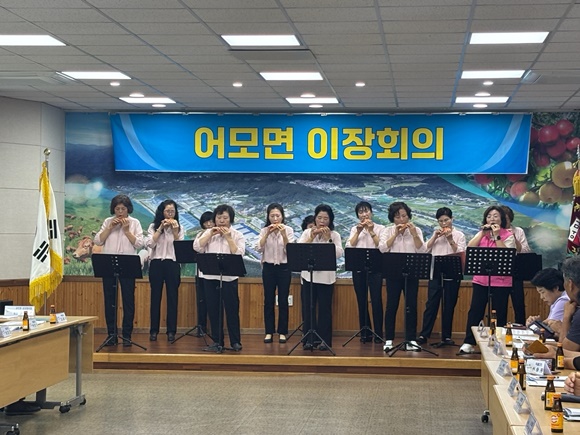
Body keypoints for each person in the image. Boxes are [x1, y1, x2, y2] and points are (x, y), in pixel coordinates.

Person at [459, 205, 516, 354]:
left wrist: (497, 236)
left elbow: (507, 254)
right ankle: (469, 342)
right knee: (475, 311)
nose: (492, 219)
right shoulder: (482, 234)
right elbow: (470, 248)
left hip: (501, 282)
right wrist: (482, 233)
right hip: (481, 280)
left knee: (499, 313)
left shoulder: (508, 235)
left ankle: (498, 343)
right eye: (489, 216)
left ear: (502, 219)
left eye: (496, 216)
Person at [193, 204, 245, 351]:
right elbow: (197, 247)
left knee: (232, 310)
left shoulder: (237, 235)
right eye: (219, 217)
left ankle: (235, 341)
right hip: (210, 277)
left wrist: (229, 238)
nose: (221, 221)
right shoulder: (208, 233)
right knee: (213, 310)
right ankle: (217, 341)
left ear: (231, 219)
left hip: (229, 278)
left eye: (225, 218)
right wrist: (209, 234)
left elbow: (239, 254)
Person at [94, 194, 144, 346]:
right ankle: (112, 335)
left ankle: (127, 335)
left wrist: (127, 231)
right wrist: (109, 228)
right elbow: (98, 241)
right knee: (110, 301)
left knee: (128, 301)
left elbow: (139, 244)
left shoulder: (135, 223)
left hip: (128, 265)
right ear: (113, 209)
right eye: (117, 209)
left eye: (123, 209)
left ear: (128, 209)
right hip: (109, 265)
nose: (120, 212)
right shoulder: (107, 222)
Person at [379, 201, 426, 351]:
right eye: (398, 217)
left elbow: (422, 250)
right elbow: (382, 249)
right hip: (393, 272)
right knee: (391, 305)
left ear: (409, 216)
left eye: (404, 216)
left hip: (411, 272)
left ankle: (411, 339)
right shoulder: (387, 231)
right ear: (392, 218)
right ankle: (389, 339)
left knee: (411, 305)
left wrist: (414, 235)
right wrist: (395, 234)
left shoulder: (416, 230)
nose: (402, 219)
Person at [417, 207, 466, 346]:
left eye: (446, 220)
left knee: (449, 305)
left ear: (452, 219)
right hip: (436, 273)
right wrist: (434, 237)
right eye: (440, 221)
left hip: (452, 274)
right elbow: (424, 250)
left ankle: (446, 336)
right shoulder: (436, 234)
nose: (444, 224)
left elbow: (460, 253)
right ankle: (424, 335)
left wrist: (450, 239)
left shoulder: (459, 235)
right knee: (431, 304)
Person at [298, 204, 343, 350]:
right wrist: (311, 237)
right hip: (308, 277)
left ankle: (325, 341)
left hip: (326, 278)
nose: (322, 221)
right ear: (315, 218)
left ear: (330, 220)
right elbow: (299, 249)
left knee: (325, 310)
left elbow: (338, 254)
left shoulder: (335, 235)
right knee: (308, 309)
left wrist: (328, 239)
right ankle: (309, 339)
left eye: (325, 218)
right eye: (319, 218)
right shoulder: (307, 232)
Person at [345, 201, 385, 343]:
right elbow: (349, 246)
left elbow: (382, 247)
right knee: (361, 301)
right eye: (361, 212)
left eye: (366, 211)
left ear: (371, 213)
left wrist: (371, 231)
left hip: (376, 269)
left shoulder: (381, 228)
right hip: (358, 269)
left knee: (376, 300)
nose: (364, 214)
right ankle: (365, 332)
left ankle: (378, 333)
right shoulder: (354, 229)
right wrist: (358, 231)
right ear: (358, 215)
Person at [146, 199, 184, 342]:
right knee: (155, 297)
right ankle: (153, 330)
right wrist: (160, 228)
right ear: (162, 212)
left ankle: (171, 331)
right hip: (156, 263)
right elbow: (150, 244)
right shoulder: (153, 226)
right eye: (167, 211)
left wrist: (175, 232)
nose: (170, 214)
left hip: (172, 263)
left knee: (172, 298)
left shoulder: (179, 227)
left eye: (172, 212)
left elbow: (180, 248)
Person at [257, 203, 295, 344]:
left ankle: (282, 332)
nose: (275, 219)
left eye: (277, 215)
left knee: (283, 300)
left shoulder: (289, 230)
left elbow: (289, 250)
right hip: (268, 268)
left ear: (282, 216)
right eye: (272, 216)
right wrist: (267, 234)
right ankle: (269, 331)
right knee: (268, 300)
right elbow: (258, 248)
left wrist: (284, 235)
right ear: (268, 217)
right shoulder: (264, 230)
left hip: (284, 268)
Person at [502, 205, 532, 325]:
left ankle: (520, 327)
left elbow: (525, 251)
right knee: (500, 304)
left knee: (518, 303)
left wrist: (513, 237)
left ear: (510, 218)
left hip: (516, 270)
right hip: (500, 272)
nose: (505, 222)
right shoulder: (495, 232)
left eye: (506, 219)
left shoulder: (518, 231)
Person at [526, 268, 568, 340]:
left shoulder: (563, 301)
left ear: (556, 288)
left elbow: (548, 333)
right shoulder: (557, 300)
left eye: (542, 292)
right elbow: (549, 328)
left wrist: (533, 326)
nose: (541, 297)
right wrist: (538, 323)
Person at [193, 211, 214, 337]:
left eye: (211, 221)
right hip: (200, 273)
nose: (209, 224)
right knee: (201, 301)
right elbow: (198, 249)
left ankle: (214, 329)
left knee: (213, 302)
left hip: (213, 273)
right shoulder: (200, 234)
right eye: (206, 222)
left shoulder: (217, 234)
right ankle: (201, 327)